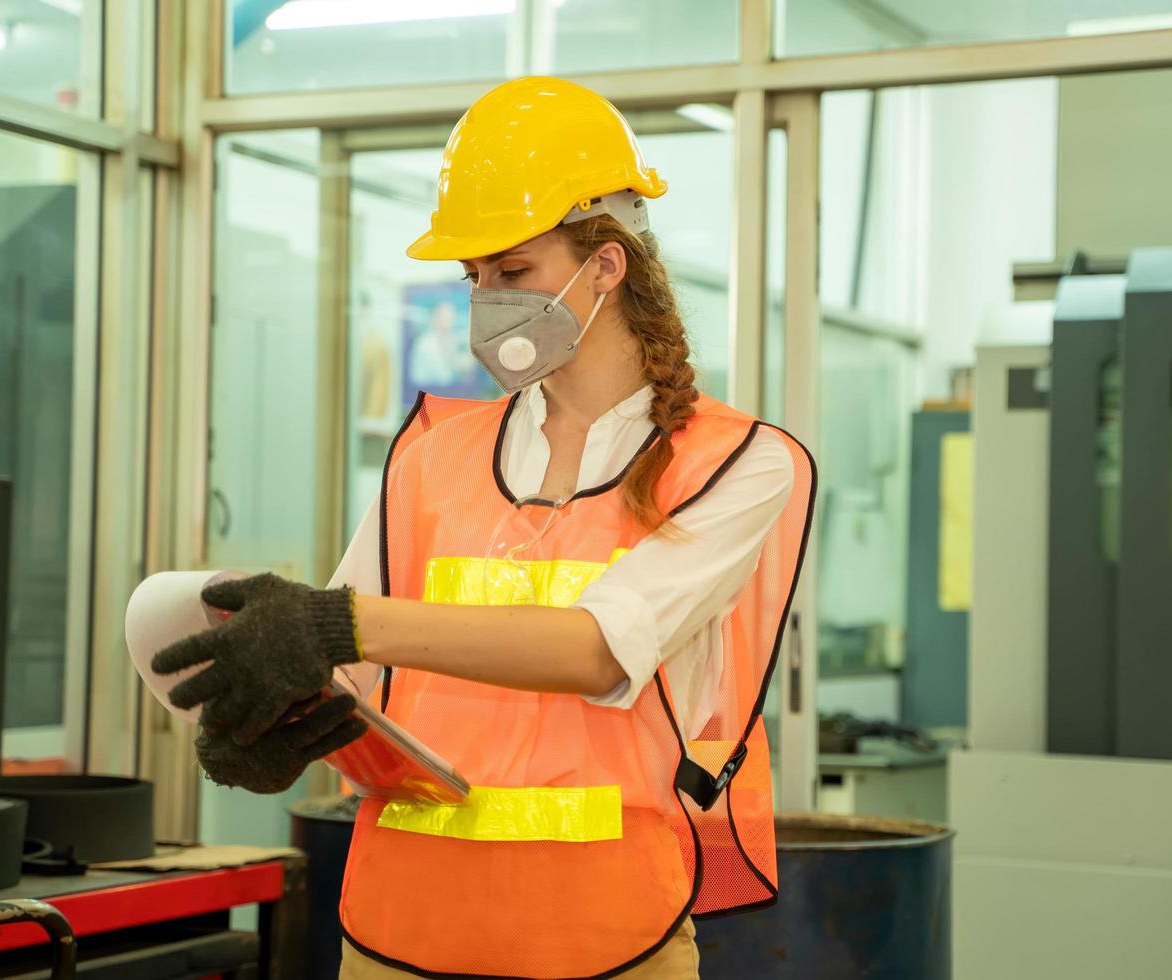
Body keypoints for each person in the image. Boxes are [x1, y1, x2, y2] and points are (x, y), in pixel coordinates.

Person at [152, 76, 814, 980]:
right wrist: (276, 724)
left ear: (607, 265)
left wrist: (332, 621)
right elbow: (355, 674)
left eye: (514, 273)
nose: (488, 301)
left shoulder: (738, 463)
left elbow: (597, 648)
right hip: (399, 934)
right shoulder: (435, 455)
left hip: (608, 940)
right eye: (475, 278)